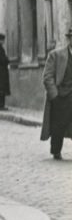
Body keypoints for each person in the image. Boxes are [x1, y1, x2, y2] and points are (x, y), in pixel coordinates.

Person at [41, 27, 72, 160]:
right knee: (58, 125)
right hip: (61, 96)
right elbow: (47, 76)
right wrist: (54, 96)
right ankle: (56, 150)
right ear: (69, 39)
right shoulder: (56, 55)